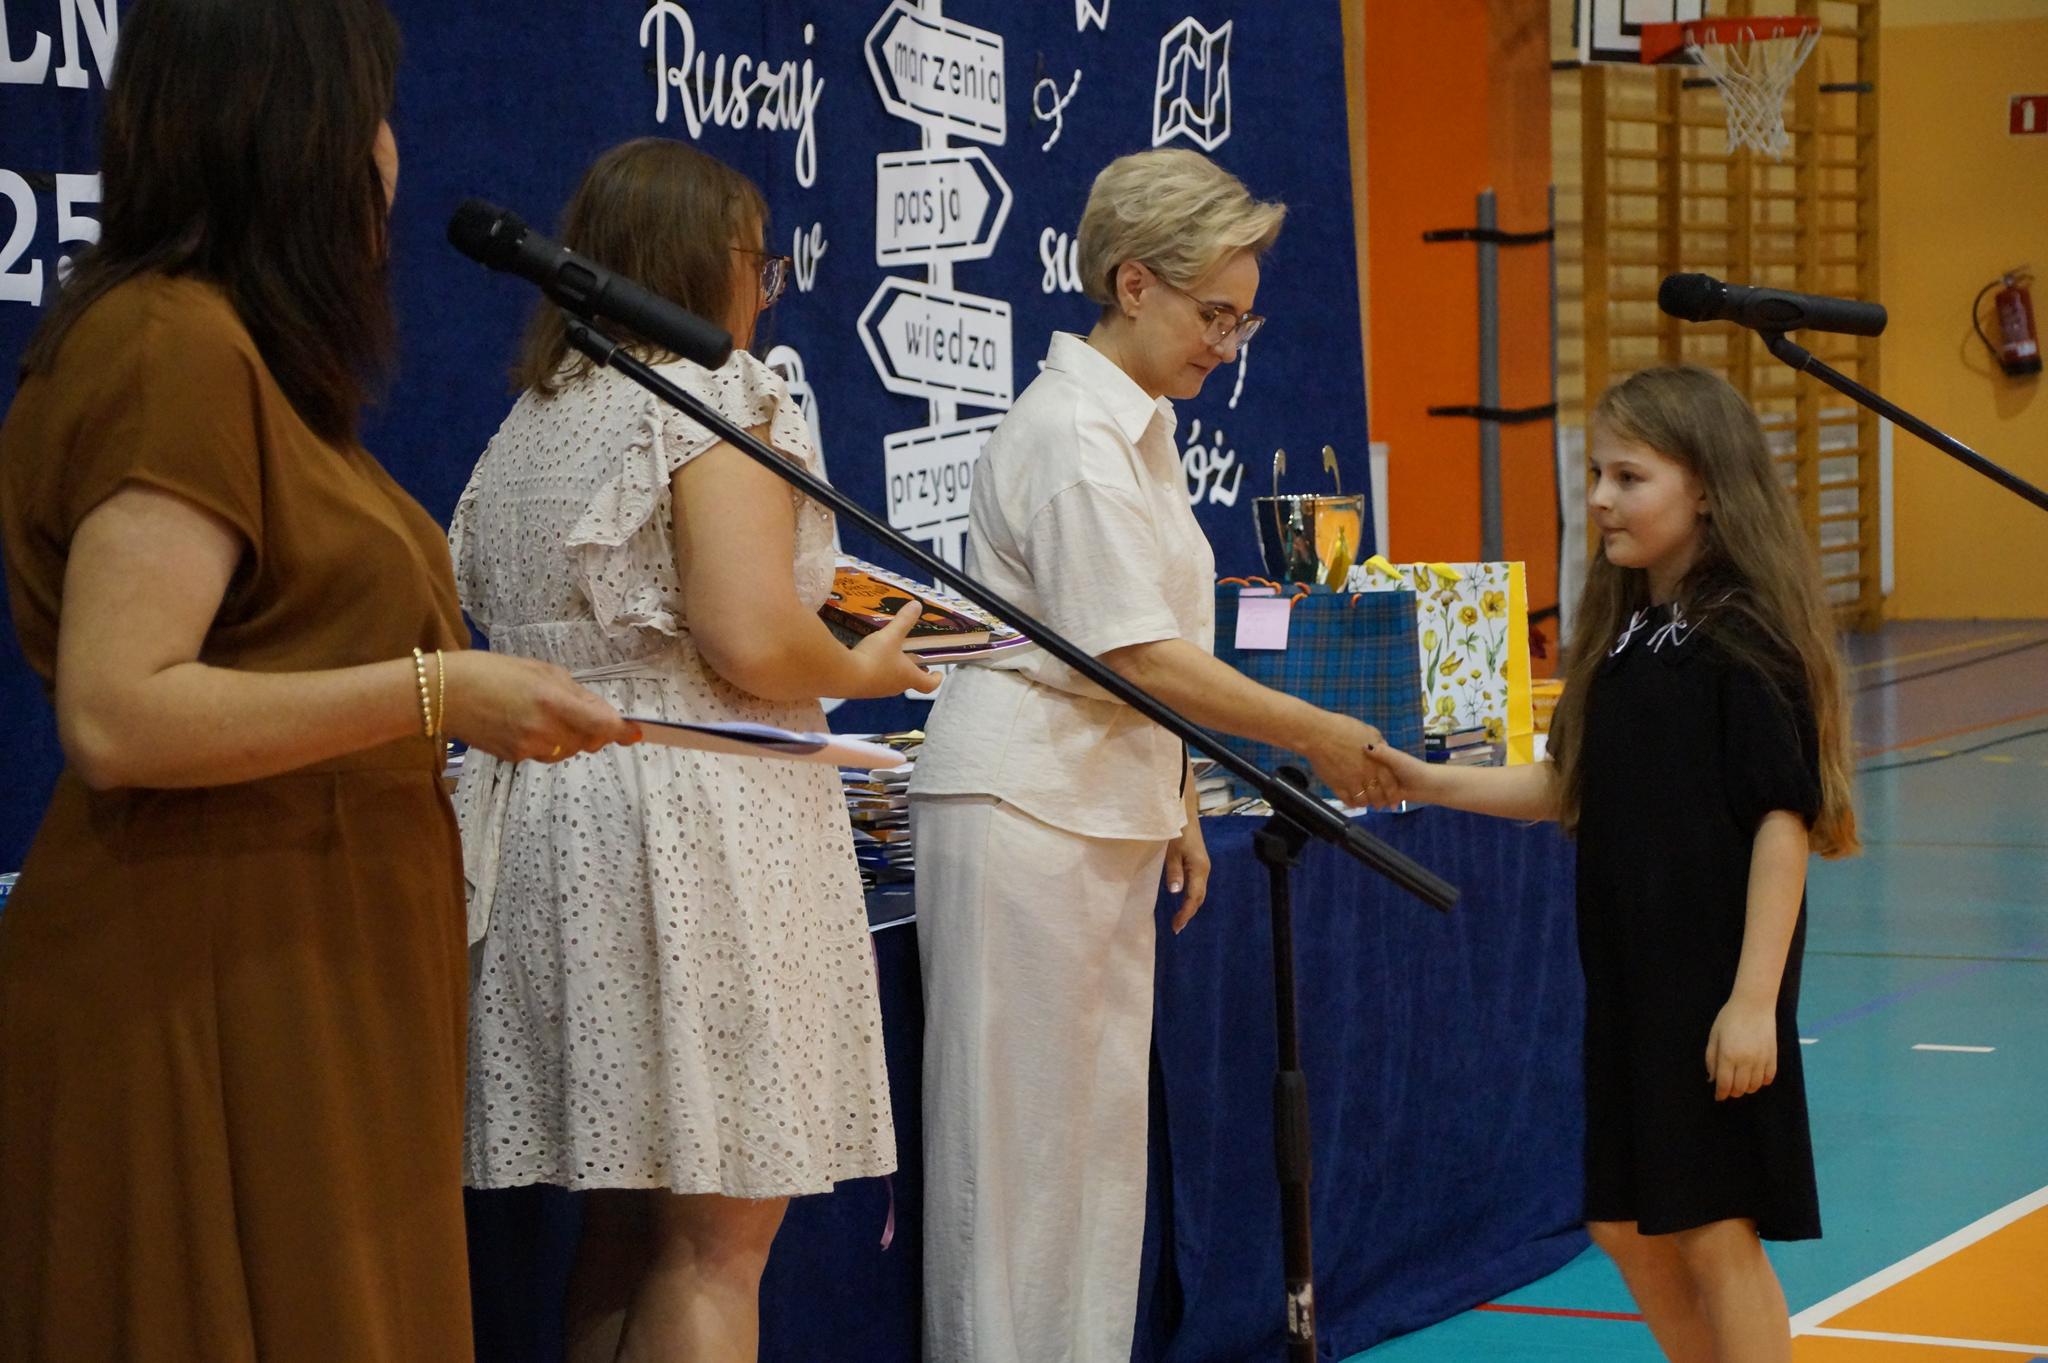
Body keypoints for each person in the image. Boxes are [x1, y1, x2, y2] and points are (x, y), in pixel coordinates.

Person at [0, 2, 639, 1359]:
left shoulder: (245, 357)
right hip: (208, 977)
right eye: (372, 113)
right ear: (297, 131)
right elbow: (118, 709)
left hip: (309, 969)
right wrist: (440, 692)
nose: (393, 152)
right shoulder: (170, 344)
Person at [451, 137, 937, 1363]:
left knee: (626, 1223)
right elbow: (750, 635)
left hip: (560, 821)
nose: (762, 290)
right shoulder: (714, 395)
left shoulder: (534, 420)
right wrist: (863, 669)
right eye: (755, 263)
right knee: (717, 1241)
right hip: (697, 822)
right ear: (696, 262)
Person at [908, 147, 1390, 1363]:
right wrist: (1315, 729)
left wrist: (1173, 794)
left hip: (1096, 802)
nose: (1226, 344)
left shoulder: (1139, 428)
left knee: (1091, 1158)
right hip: (1023, 805)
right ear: (1132, 283)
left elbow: (1142, 643)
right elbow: (1135, 655)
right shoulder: (1072, 434)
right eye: (1211, 314)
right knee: (1013, 1168)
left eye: (1242, 321)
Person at [1359, 365, 1860, 1362]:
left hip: (1712, 977)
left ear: (1706, 488)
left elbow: (1781, 821)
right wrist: (1426, 779)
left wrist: (1753, 1001)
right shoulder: (1628, 634)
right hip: (1631, 976)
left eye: (1629, 477)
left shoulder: (1741, 635)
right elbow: (1571, 783)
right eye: (1595, 473)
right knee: (1625, 1221)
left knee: (1712, 1225)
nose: (1598, 498)